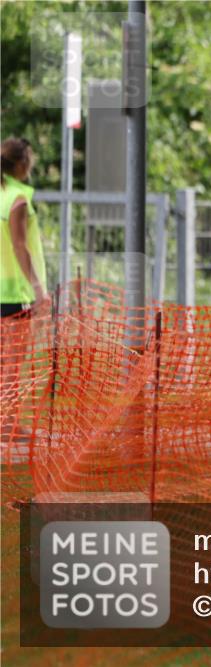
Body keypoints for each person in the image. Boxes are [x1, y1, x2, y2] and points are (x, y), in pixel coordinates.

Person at [1, 137, 48, 443]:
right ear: (21, 164)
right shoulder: (17, 198)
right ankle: (6, 425)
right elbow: (20, 246)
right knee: (11, 361)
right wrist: (39, 289)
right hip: (14, 292)